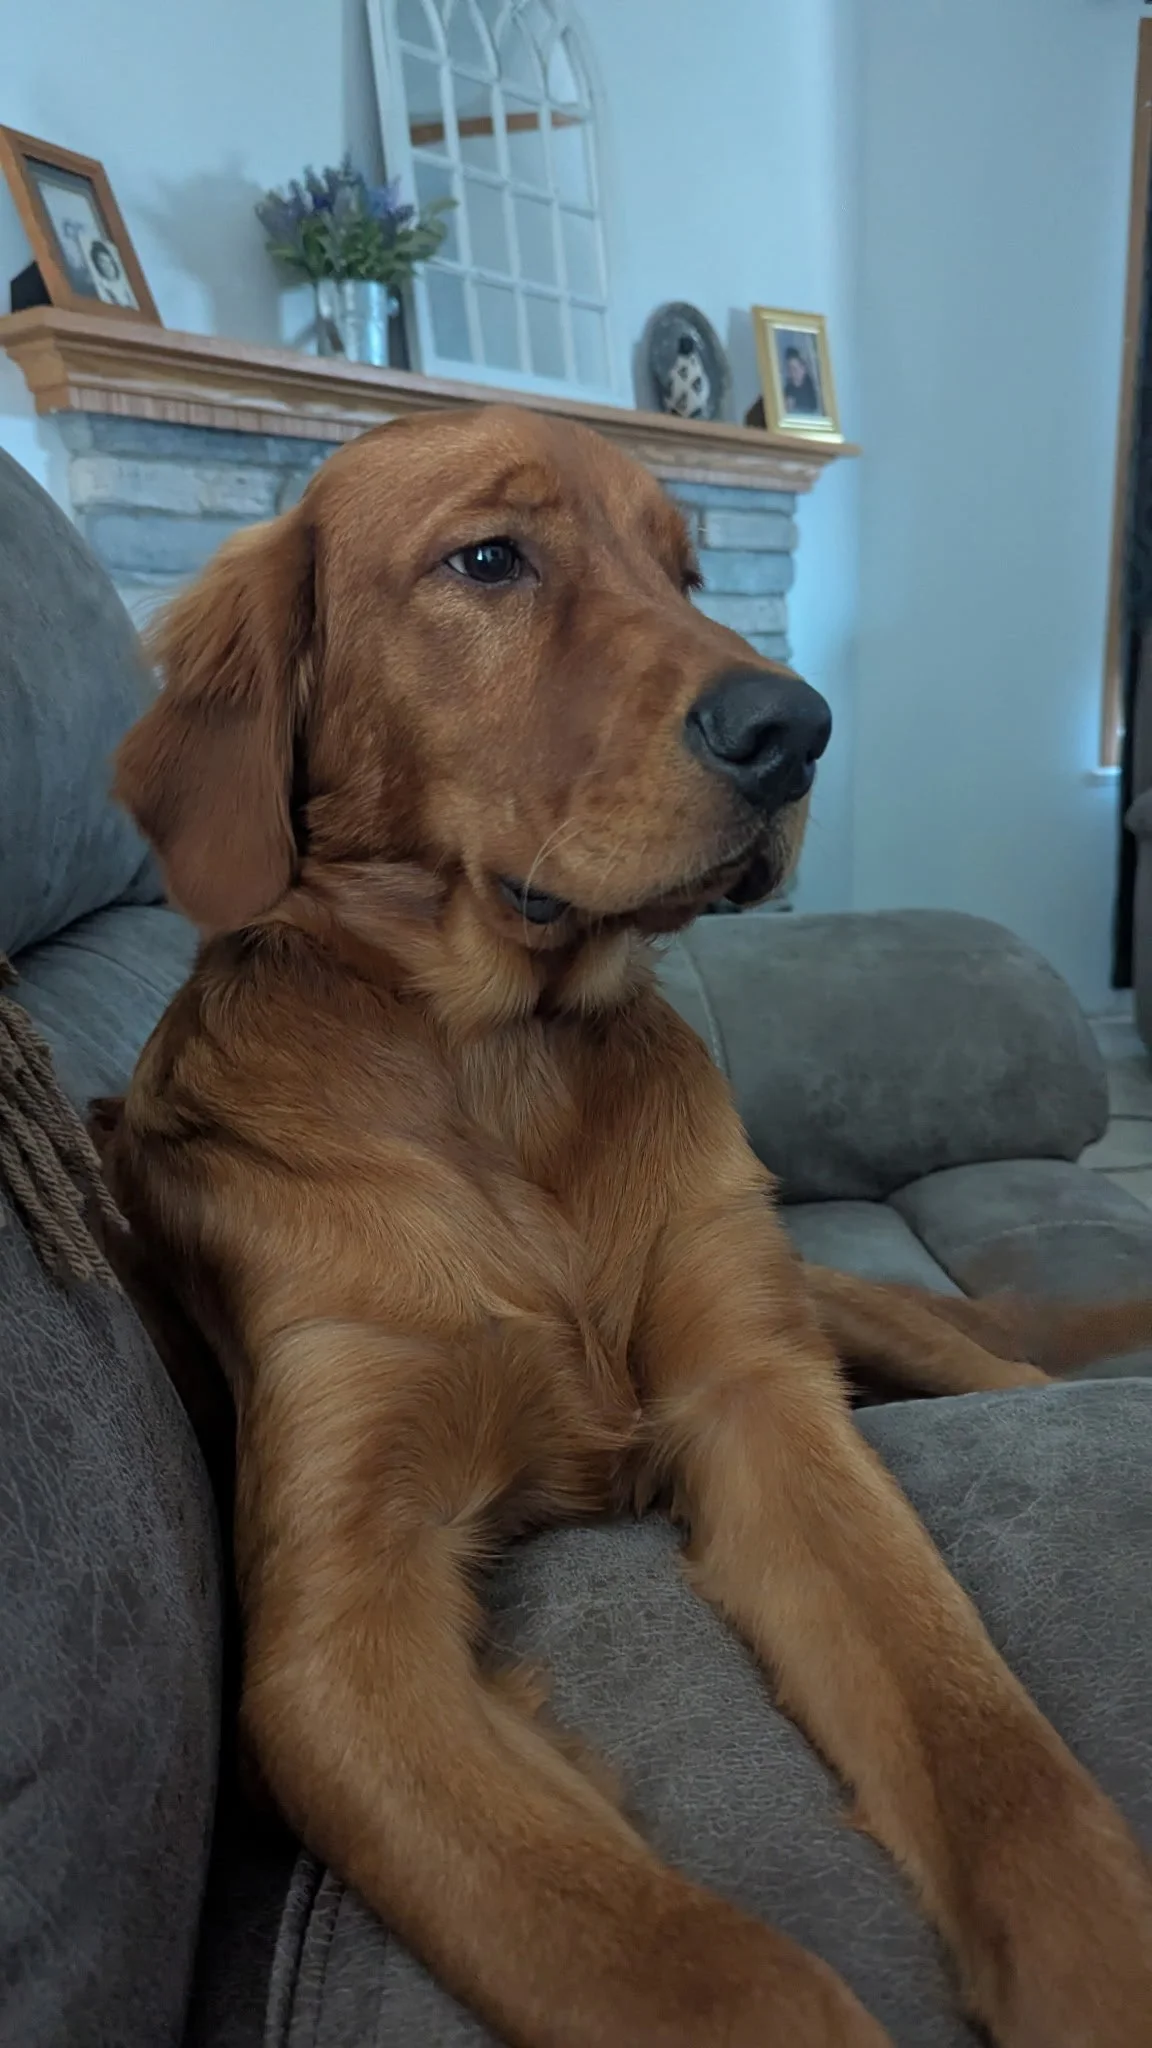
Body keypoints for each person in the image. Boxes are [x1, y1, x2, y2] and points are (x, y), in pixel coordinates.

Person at [87, 239, 136, 309]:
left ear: (111, 259)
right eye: (101, 262)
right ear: (98, 266)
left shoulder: (127, 280)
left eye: (107, 261)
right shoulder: (104, 290)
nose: (106, 265)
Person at [781, 342, 820, 415]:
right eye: (789, 369)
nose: (792, 373)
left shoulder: (812, 388)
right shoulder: (788, 389)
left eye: (795, 369)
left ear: (803, 368)